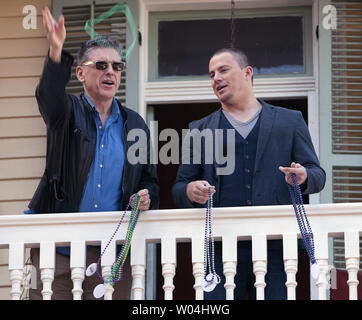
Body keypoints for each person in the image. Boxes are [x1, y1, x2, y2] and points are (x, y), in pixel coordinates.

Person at [172, 48, 326, 300]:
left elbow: (318, 175)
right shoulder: (198, 129)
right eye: (211, 74)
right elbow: (179, 188)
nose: (216, 78)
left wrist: (303, 176)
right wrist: (191, 191)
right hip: (218, 250)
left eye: (223, 70)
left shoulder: (290, 121)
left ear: (247, 73)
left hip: (276, 248)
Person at [26, 7, 159, 300]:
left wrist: (146, 195)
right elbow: (48, 97)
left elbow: (149, 181)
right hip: (57, 250)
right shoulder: (67, 112)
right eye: (101, 65)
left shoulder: (134, 124)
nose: (110, 71)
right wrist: (55, 51)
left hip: (110, 253)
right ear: (81, 73)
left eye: (117, 66)